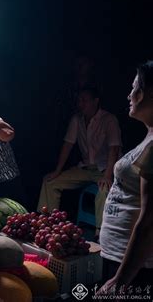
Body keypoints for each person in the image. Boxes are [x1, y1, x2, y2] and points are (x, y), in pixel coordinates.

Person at [98, 61, 153, 294]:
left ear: (148, 93)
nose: (130, 95)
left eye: (134, 88)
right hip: (118, 257)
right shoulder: (149, 137)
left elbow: (150, 221)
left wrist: (120, 281)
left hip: (132, 269)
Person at [38, 87, 122, 237]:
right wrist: (58, 170)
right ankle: (46, 223)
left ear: (96, 101)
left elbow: (114, 149)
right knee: (50, 182)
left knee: (104, 189)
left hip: (105, 169)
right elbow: (67, 145)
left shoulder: (109, 119)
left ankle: (100, 232)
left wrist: (108, 175)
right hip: (85, 168)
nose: (80, 103)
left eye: (84, 100)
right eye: (79, 100)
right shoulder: (77, 119)